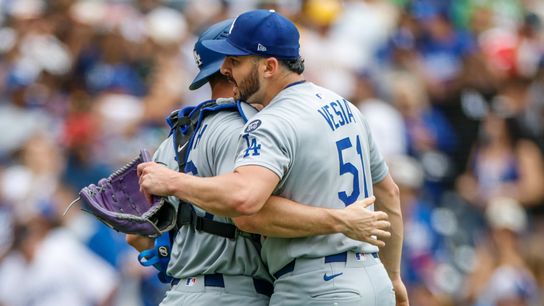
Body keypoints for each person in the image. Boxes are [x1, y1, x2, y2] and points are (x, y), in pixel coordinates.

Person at [138, 10, 408, 306]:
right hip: (372, 278)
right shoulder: (346, 107)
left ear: (269, 66)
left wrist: (173, 181)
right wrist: (393, 277)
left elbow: (246, 206)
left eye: (236, 61)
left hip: (316, 285)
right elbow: (389, 194)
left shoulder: (271, 121)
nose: (226, 69)